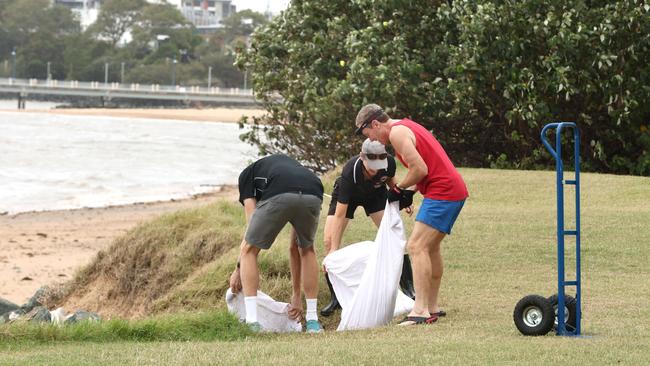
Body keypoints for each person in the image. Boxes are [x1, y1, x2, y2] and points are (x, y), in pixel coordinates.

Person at [354, 104, 468, 326]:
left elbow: (419, 169)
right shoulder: (405, 126)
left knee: (416, 246)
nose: (371, 139)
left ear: (375, 124)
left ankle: (420, 310)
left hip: (443, 192)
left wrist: (398, 189)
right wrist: (411, 192)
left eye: (366, 133)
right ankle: (432, 306)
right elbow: (427, 167)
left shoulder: (396, 133)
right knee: (430, 248)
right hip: (449, 190)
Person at [228, 154, 325, 333]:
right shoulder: (289, 168)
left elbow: (251, 229)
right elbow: (294, 247)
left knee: (249, 251)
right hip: (313, 189)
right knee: (307, 248)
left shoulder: (246, 176)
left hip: (281, 191)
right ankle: (312, 321)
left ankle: (252, 322)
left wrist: (238, 268)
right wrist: (296, 295)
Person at [320, 138, 416, 317]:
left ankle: (409, 288)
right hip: (347, 196)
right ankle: (336, 298)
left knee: (394, 236)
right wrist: (333, 248)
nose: (376, 169)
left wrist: (404, 199)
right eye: (372, 165)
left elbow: (393, 184)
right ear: (362, 158)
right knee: (328, 241)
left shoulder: (388, 164)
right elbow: (340, 215)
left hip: (374, 196)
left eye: (379, 164)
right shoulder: (351, 171)